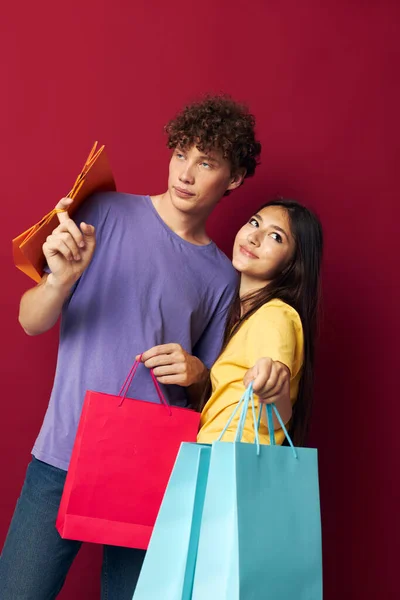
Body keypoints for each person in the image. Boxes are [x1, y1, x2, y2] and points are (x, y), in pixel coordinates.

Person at [0, 96, 278, 600]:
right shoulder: (103, 212)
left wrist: (197, 373)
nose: (186, 173)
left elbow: (211, 400)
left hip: (150, 474)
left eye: (207, 163)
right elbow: (28, 321)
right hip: (61, 454)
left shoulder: (221, 276)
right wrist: (59, 282)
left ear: (233, 179)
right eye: (181, 154)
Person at [194, 198, 324, 446]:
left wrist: (273, 387)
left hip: (231, 460)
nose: (254, 238)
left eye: (276, 237)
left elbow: (275, 406)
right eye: (254, 223)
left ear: (292, 264)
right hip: (218, 454)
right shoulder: (244, 318)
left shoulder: (275, 315)